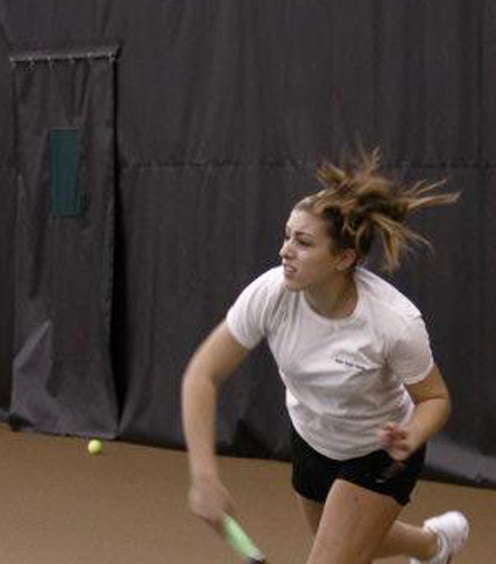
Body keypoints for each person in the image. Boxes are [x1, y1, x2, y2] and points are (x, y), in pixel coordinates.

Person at [181, 150, 469, 564]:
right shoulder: (270, 293)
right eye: (286, 236)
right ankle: (433, 545)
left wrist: (410, 437)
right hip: (313, 441)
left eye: (303, 242)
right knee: (343, 541)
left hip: (380, 455)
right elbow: (201, 375)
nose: (285, 251)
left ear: (343, 258)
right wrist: (204, 477)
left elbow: (435, 398)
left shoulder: (393, 322)